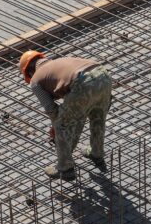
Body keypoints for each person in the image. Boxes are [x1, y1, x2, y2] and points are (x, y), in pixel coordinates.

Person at [19, 50, 112, 181]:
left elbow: (51, 110)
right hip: (103, 75)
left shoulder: (35, 81)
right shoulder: (59, 62)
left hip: (82, 82)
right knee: (97, 116)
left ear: (29, 72)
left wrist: (55, 126)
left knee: (61, 126)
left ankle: (65, 168)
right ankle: (96, 152)